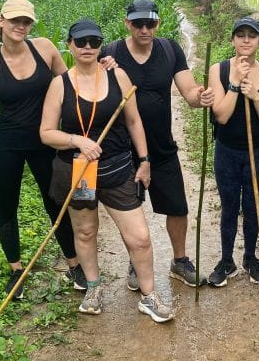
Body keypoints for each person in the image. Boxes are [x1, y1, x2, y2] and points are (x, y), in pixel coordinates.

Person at [41, 18, 173, 323]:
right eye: (81, 42)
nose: (88, 47)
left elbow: (134, 121)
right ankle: (93, 287)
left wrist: (145, 160)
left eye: (94, 42)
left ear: (101, 45)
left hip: (118, 168)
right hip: (78, 170)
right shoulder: (60, 84)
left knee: (139, 237)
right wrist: (77, 140)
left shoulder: (118, 76)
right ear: (70, 45)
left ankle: (149, 295)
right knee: (85, 231)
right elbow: (46, 133)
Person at [0, 0, 87, 300]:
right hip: (6, 144)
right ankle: (16, 270)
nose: (20, 26)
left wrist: (103, 64)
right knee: (7, 205)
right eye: (15, 19)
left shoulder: (45, 48)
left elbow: (69, 84)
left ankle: (74, 264)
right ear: (0, 21)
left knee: (55, 201)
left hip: (45, 140)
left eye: (26, 21)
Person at [100, 0, 214, 289]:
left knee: (177, 206)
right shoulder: (111, 53)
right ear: (127, 23)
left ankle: (180, 261)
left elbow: (188, 91)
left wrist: (199, 97)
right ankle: (136, 263)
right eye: (138, 23)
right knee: (131, 211)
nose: (144, 29)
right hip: (124, 149)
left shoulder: (169, 49)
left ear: (158, 24)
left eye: (150, 23)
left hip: (162, 146)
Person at [206, 17, 259, 287]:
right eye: (240, 35)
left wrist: (256, 95)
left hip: (258, 151)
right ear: (233, 40)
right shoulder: (220, 70)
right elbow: (222, 116)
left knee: (253, 205)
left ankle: (250, 257)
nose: (246, 40)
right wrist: (235, 85)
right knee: (229, 206)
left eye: (252, 35)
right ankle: (227, 261)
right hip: (227, 150)